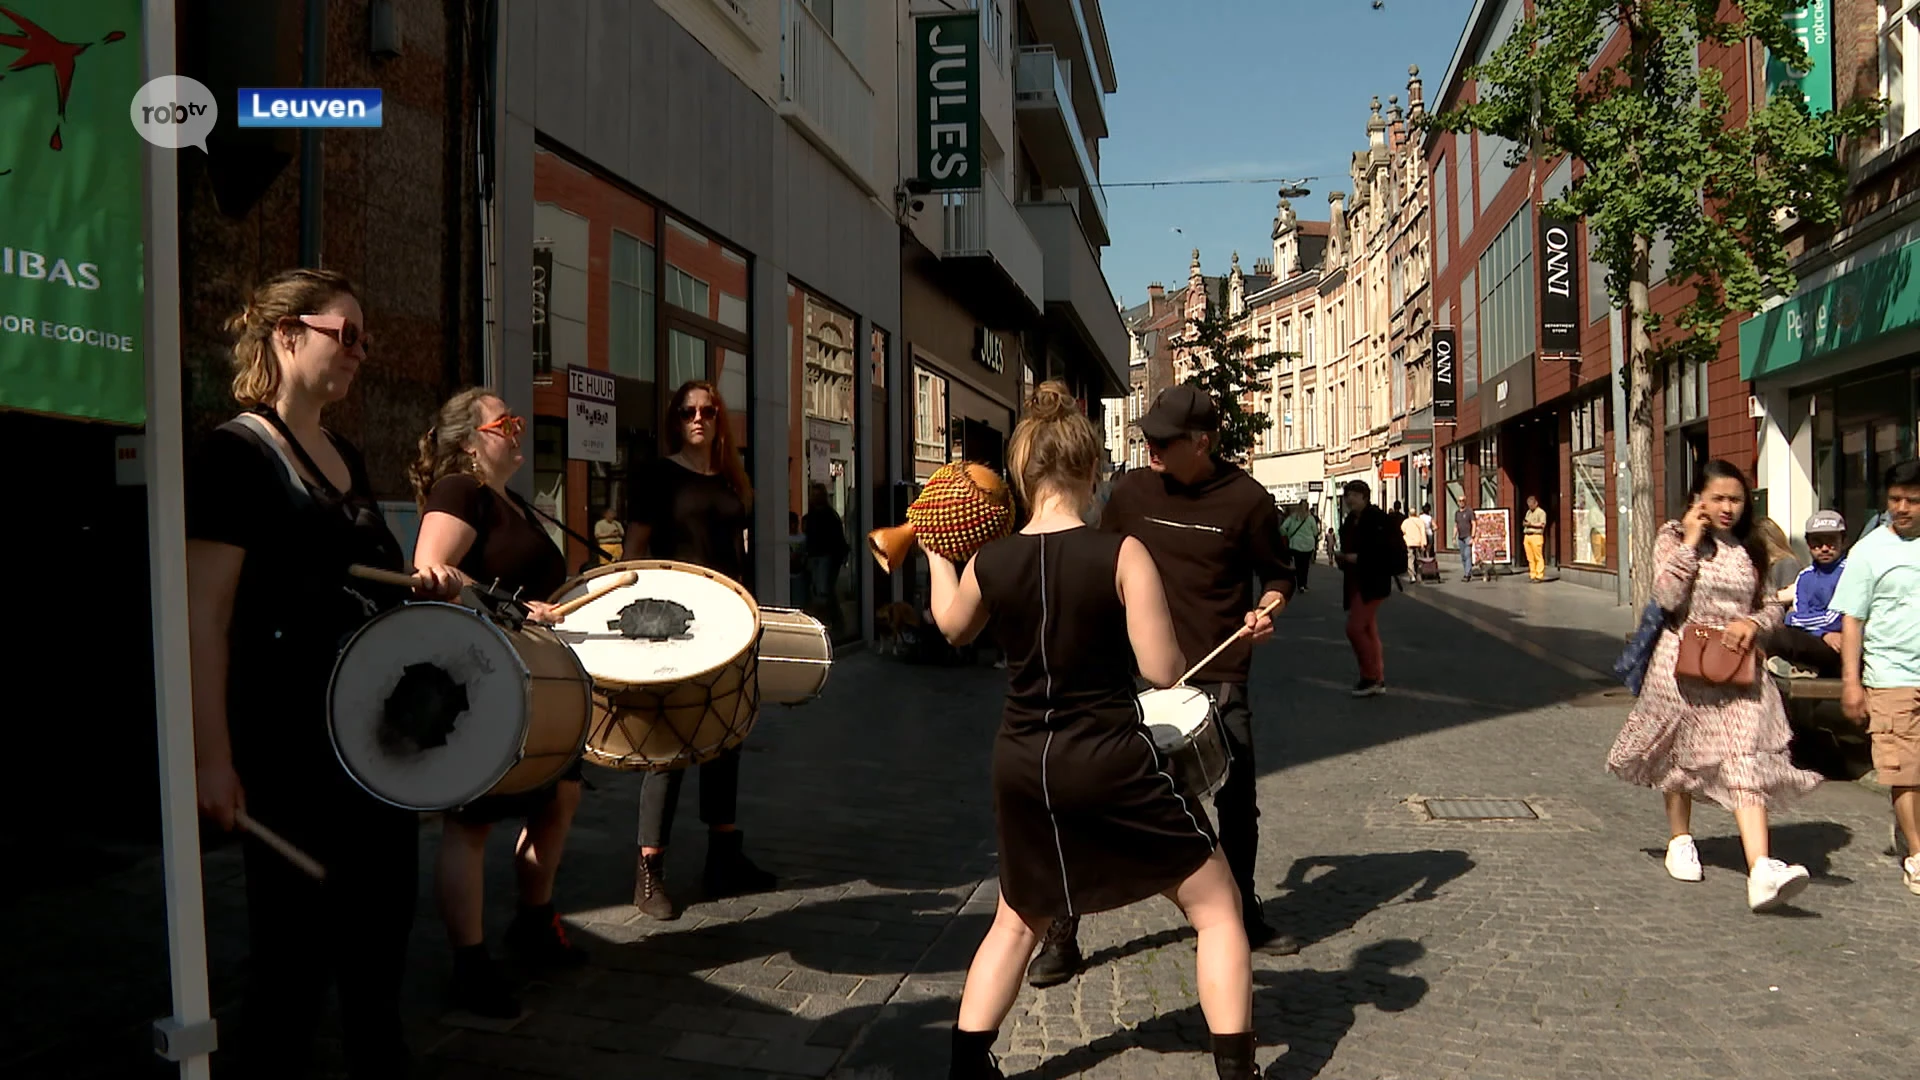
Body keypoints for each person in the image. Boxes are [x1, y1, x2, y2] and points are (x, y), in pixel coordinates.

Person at [926, 381, 1256, 1080]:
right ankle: (1237, 1074)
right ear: (1091, 473)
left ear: (1022, 474)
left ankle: (965, 1070)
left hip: (1022, 763)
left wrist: (934, 551)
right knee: (1218, 904)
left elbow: (952, 627)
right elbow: (1164, 671)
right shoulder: (1121, 553)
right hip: (1108, 757)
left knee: (1016, 921)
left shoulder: (991, 559)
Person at [186, 269, 462, 1078]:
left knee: (380, 948)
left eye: (365, 340)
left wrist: (420, 583)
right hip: (288, 748)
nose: (360, 354)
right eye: (346, 335)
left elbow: (355, 583)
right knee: (292, 969)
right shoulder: (232, 454)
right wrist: (213, 758)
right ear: (286, 334)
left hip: (374, 748)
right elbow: (205, 617)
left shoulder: (344, 452)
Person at [1025, 385, 1292, 989]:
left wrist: (1268, 607)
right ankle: (1062, 936)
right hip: (1128, 673)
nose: (1148, 452)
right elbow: (1091, 553)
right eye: (1145, 439)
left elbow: (1278, 573)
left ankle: (1241, 909)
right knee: (1084, 800)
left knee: (1236, 798)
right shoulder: (1132, 493)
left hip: (1219, 674)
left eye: (1161, 443)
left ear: (1202, 443)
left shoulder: (1248, 500)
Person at [409, 388, 588, 1018]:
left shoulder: (516, 501)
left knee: (559, 796)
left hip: (534, 679)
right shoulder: (461, 491)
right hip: (483, 680)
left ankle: (534, 920)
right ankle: (470, 963)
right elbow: (431, 574)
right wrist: (511, 606)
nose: (517, 430)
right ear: (468, 440)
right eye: (503, 422)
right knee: (474, 822)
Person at [1605, 460, 1822, 912]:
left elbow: (1771, 607)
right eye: (1719, 498)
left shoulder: (1752, 547)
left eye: (1736, 499)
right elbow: (1665, 596)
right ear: (1697, 500)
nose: (1728, 508)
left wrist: (1752, 623)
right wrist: (1689, 541)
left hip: (1738, 667)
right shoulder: (1672, 537)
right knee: (1678, 754)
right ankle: (1680, 839)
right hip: (1680, 664)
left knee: (1744, 755)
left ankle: (1760, 867)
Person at [623, 380, 776, 919]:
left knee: (726, 733)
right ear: (675, 418)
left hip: (728, 621)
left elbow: (738, 554)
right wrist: (637, 615)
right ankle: (649, 871)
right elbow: (634, 551)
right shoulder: (659, 476)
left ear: (719, 420)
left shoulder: (733, 481)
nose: (698, 418)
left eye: (708, 410)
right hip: (672, 621)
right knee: (669, 742)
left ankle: (723, 855)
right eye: (688, 411)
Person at [1832, 463, 1920, 896]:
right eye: (1895, 499)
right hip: (1890, 675)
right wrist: (1853, 682)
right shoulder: (1869, 551)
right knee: (1903, 770)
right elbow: (1853, 619)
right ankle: (1917, 856)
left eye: (1912, 501)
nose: (1901, 509)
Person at [1764, 510, 1845, 680]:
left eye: (1831, 542)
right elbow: (1796, 616)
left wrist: (1795, 620)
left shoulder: (1850, 572)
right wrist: (1822, 633)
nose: (1824, 548)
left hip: (1844, 645)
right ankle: (1803, 669)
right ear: (1808, 544)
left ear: (1843, 541)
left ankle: (1804, 668)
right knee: (1775, 635)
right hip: (1819, 639)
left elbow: (1835, 618)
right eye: (1817, 543)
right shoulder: (1805, 575)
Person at [1338, 480, 1399, 696]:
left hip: (1373, 581)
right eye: (1347, 496)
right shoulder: (1350, 521)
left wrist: (1358, 558)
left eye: (1354, 495)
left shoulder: (1376, 519)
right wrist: (1341, 557)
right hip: (1356, 581)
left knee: (1354, 628)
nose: (1349, 500)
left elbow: (1384, 551)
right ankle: (1378, 678)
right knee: (1368, 630)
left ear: (1364, 496)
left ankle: (1370, 677)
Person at [804, 482, 850, 632]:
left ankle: (828, 622)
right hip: (815, 555)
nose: (814, 497)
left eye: (817, 495)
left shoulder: (829, 516)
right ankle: (835, 622)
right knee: (822, 590)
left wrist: (840, 557)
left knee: (823, 591)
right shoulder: (812, 516)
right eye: (813, 494)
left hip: (827, 557)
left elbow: (836, 539)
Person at [1281, 500, 1319, 592]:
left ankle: (1299, 585)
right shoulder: (1310, 518)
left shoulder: (1292, 518)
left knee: (1298, 565)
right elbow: (1315, 531)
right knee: (1305, 565)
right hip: (1308, 545)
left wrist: (1288, 535)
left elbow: (1282, 528)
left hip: (1295, 544)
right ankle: (1304, 584)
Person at [1399, 507, 1429, 585]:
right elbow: (1423, 532)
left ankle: (1412, 576)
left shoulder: (1406, 522)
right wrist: (1424, 543)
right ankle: (1419, 575)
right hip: (1418, 542)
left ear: (1409, 513)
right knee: (1419, 560)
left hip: (1409, 542)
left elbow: (1402, 530)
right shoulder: (1420, 521)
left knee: (1410, 559)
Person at [1522, 495, 1548, 582]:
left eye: (1531, 504)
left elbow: (1542, 524)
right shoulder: (1528, 512)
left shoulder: (1541, 512)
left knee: (1538, 556)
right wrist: (1525, 524)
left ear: (1536, 503)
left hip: (1536, 536)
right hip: (1527, 536)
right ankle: (1532, 575)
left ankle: (1539, 575)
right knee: (1530, 558)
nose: (1530, 506)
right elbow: (1526, 521)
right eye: (1529, 505)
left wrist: (1530, 524)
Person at [1455, 503, 1475, 582]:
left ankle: (1467, 574)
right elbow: (1456, 525)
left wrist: (1472, 536)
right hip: (1460, 537)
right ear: (1457, 502)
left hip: (1468, 536)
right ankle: (1467, 571)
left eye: (1463, 500)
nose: (1461, 502)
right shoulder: (1457, 513)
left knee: (1467, 555)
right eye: (1459, 500)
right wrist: (1454, 537)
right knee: (1463, 556)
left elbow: (1474, 523)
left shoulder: (1469, 512)